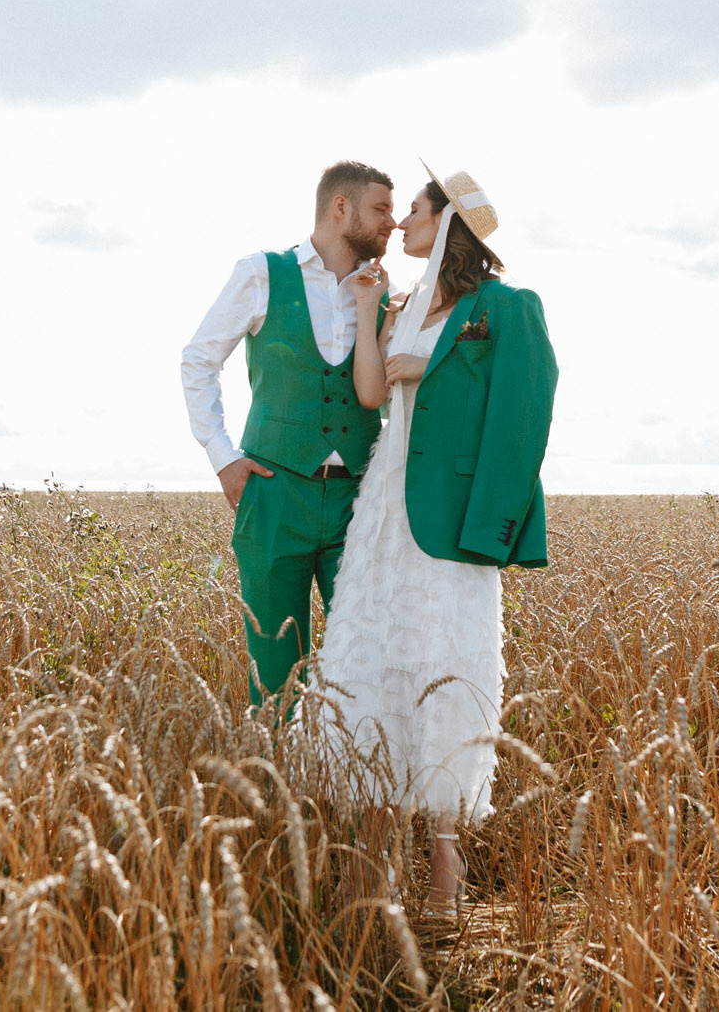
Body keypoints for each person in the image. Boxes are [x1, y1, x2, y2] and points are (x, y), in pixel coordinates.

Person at [312, 167, 558, 911]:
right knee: (371, 664)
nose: (399, 223)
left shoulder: (506, 307)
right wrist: (364, 313)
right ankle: (370, 875)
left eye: (412, 211)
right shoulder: (400, 303)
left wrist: (492, 526)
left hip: (451, 523)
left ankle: (445, 881)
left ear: (447, 223)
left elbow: (525, 409)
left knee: (446, 672)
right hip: (382, 513)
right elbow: (369, 393)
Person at [181, 161, 397, 709]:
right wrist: (223, 457)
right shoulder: (261, 272)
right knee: (276, 672)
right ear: (340, 208)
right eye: (381, 209)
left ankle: (351, 790)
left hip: (359, 499)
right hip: (274, 494)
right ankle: (279, 790)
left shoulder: (385, 296)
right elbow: (199, 359)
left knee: (366, 663)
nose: (392, 223)